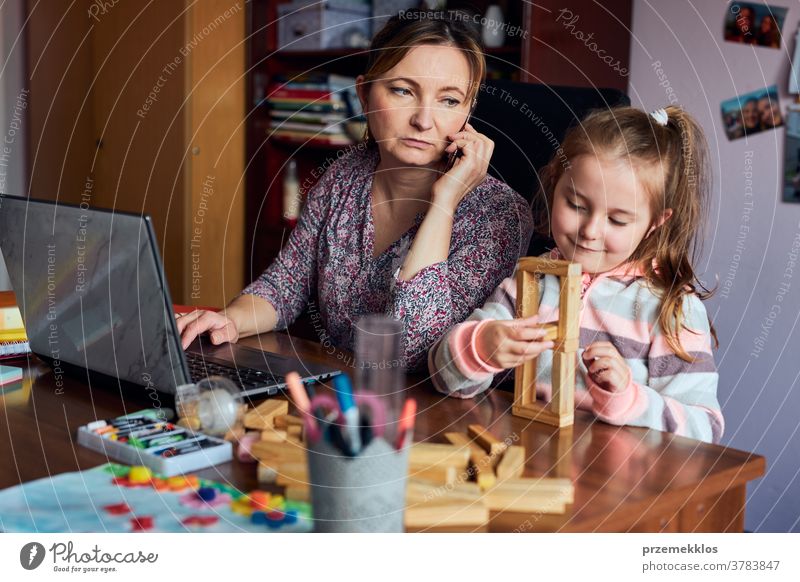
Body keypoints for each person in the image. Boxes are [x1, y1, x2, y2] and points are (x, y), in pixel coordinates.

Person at [177, 10, 532, 371]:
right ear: (364, 94)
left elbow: (410, 350)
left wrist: (445, 201)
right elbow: (285, 286)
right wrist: (230, 320)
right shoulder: (344, 177)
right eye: (403, 90)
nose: (424, 121)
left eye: (449, 100)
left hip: (432, 415)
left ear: (469, 111)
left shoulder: (499, 215)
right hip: (340, 399)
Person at [429, 106, 724, 444]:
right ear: (555, 185)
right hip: (527, 469)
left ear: (655, 222)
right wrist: (481, 348)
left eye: (617, 220)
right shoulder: (530, 285)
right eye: (577, 205)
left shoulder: (671, 309)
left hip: (618, 488)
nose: (590, 231)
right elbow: (443, 376)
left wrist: (629, 399)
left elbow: (705, 429)